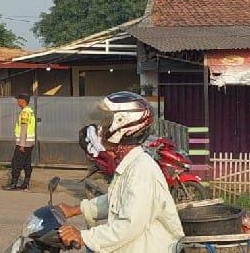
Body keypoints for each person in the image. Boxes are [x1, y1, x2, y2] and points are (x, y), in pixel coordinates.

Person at [55, 91, 183, 253]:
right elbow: (115, 200)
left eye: (106, 123)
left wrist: (83, 237)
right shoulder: (129, 164)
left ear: (123, 126)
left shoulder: (141, 170)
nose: (100, 129)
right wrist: (77, 209)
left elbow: (129, 225)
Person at [3, 92, 36, 191]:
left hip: (24, 143)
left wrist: (21, 144)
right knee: (26, 163)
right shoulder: (30, 111)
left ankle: (13, 184)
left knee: (16, 163)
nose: (17, 101)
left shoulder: (25, 113)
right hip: (29, 142)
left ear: (23, 101)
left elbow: (24, 129)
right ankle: (26, 184)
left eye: (18, 99)